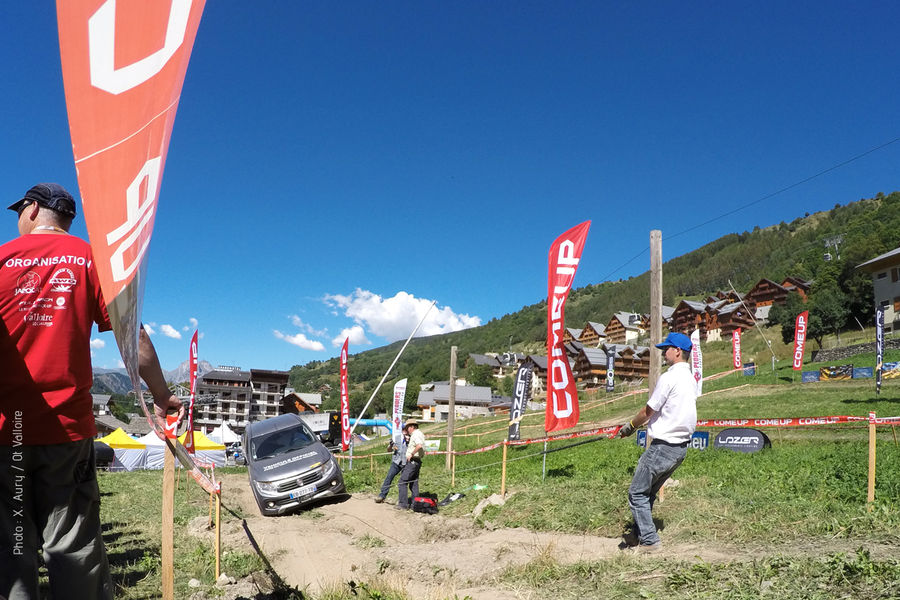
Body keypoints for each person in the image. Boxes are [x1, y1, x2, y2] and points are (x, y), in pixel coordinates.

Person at [0, 183, 184, 600]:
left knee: (12, 546)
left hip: (8, 431)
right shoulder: (91, 261)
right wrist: (161, 395)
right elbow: (132, 338)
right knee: (71, 546)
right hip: (67, 430)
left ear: (31, 210)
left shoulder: (2, 260)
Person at [616, 331, 697, 552]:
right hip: (680, 449)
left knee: (636, 493)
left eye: (666, 349)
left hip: (662, 447)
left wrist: (630, 427)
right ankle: (636, 534)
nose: (663, 353)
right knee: (648, 493)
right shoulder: (690, 379)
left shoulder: (669, 377)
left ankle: (650, 541)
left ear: (678, 351)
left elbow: (648, 410)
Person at [374, 427, 409, 503]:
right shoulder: (397, 438)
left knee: (403, 482)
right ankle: (382, 495)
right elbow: (389, 450)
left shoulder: (411, 439)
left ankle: (403, 500)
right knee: (389, 477)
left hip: (405, 462)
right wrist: (391, 445)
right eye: (404, 430)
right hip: (396, 462)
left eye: (406, 430)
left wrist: (407, 442)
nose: (405, 432)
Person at [396, 420, 425, 510]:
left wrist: (411, 454)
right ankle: (415, 504)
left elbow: (419, 445)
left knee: (402, 482)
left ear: (412, 426)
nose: (407, 430)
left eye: (407, 427)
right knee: (414, 483)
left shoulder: (416, 434)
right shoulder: (420, 433)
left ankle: (403, 504)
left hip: (412, 461)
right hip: (417, 461)